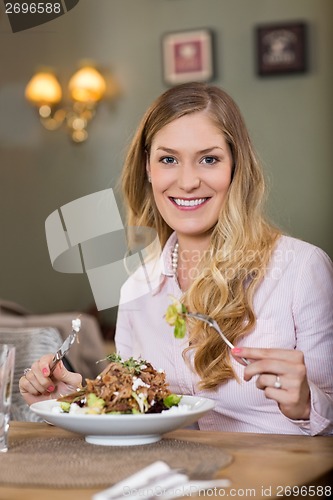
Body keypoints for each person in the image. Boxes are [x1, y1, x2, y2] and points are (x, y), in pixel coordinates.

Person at [19, 82, 333, 435]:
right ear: (148, 169)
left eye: (209, 159)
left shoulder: (301, 269)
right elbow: (140, 413)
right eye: (168, 159)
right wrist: (75, 400)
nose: (187, 182)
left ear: (235, 168)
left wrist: (307, 402)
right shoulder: (138, 286)